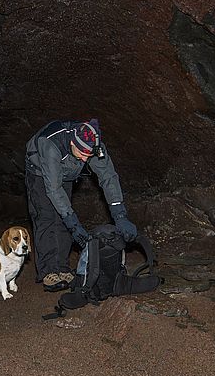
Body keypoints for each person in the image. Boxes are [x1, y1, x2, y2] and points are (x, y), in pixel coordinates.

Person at [25, 118, 138, 292]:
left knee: (62, 220)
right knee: (47, 217)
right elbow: (54, 189)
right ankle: (48, 271)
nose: (86, 159)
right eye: (82, 153)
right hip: (40, 171)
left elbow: (108, 177)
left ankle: (61, 267)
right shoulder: (49, 144)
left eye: (89, 154)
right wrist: (74, 224)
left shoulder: (94, 145)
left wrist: (120, 215)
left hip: (67, 171)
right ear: (72, 142)